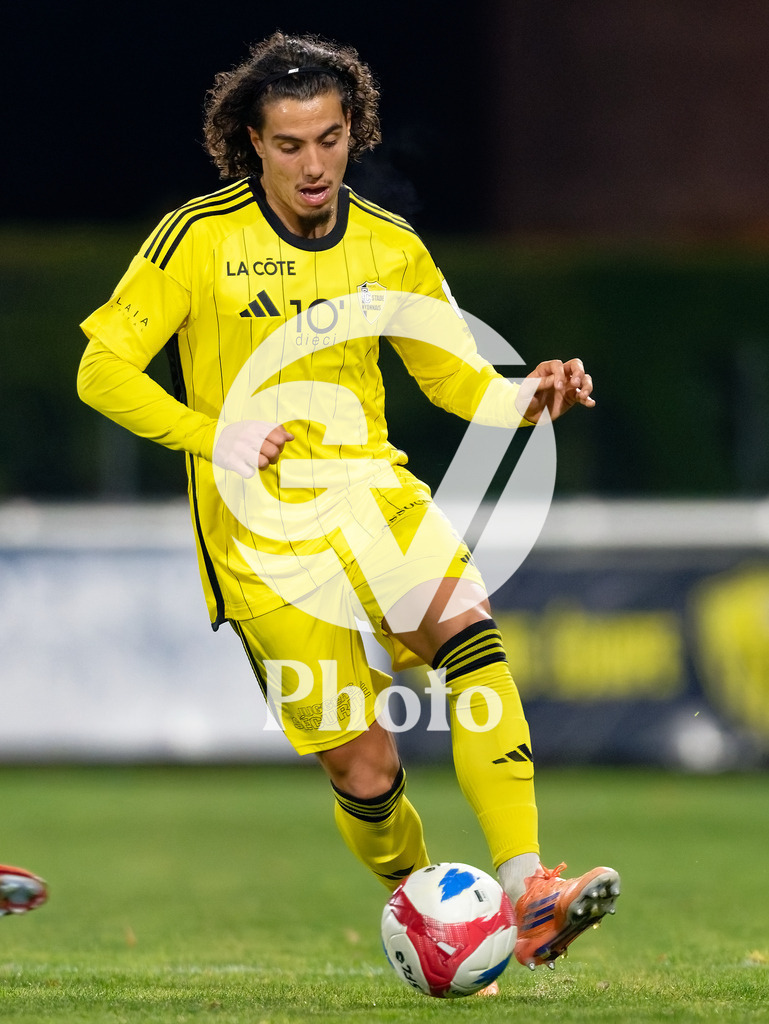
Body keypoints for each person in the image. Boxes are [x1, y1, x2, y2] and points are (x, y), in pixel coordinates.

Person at [77, 30, 619, 974]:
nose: (312, 163)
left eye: (329, 138)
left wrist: (526, 398)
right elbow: (100, 368)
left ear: (351, 131)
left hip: (374, 495)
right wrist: (214, 434)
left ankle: (527, 891)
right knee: (365, 771)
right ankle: (433, 920)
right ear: (251, 141)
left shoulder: (388, 244)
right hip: (261, 535)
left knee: (470, 636)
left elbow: (457, 380)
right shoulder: (198, 239)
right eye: (289, 145)